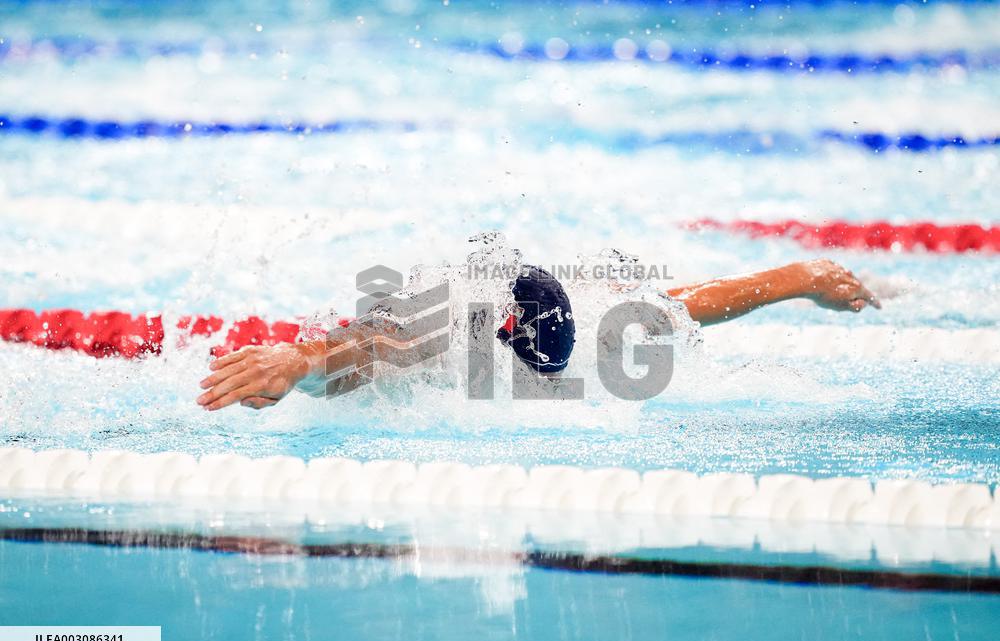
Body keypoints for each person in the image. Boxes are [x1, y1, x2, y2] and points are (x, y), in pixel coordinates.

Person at [196, 258, 879, 411]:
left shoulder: (589, 336)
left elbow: (689, 303)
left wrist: (798, 280)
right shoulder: (444, 341)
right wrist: (293, 359)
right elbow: (359, 349)